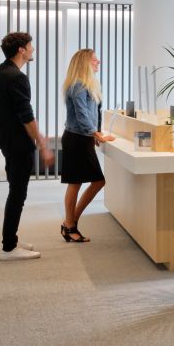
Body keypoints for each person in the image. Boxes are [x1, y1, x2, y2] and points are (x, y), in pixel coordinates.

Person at [0, 30, 52, 261]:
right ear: (21, 50)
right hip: (18, 143)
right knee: (17, 194)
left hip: (6, 141)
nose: (33, 49)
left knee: (15, 191)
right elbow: (26, 115)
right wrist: (42, 142)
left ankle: (10, 239)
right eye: (30, 46)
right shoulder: (16, 77)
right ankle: (9, 248)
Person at [58, 47, 115, 243]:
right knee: (77, 182)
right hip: (76, 139)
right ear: (84, 63)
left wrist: (96, 132)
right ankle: (70, 224)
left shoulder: (91, 85)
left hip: (84, 138)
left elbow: (96, 112)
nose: (98, 62)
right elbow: (82, 114)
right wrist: (95, 133)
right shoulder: (77, 85)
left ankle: (70, 223)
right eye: (94, 60)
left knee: (94, 181)